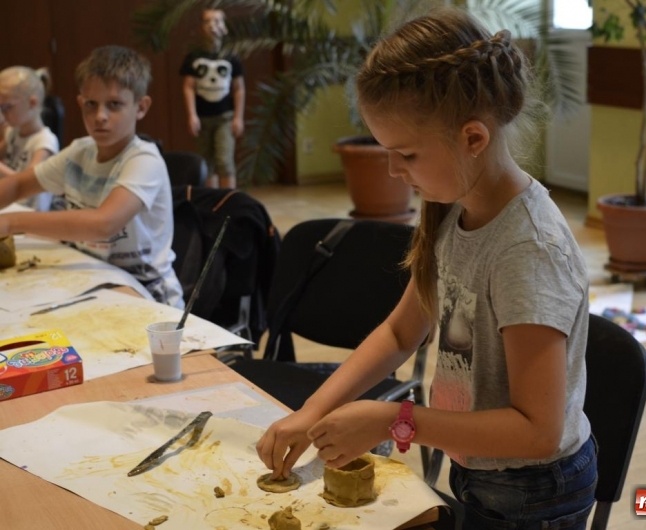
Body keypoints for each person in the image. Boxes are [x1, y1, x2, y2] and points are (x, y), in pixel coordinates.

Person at [256, 6, 596, 529]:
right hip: (476, 462)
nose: (393, 170)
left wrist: (396, 419)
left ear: (474, 138)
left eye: (407, 155)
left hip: (533, 490)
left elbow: (537, 430)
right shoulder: (452, 203)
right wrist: (311, 413)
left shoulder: (528, 250)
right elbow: (400, 331)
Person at [0, 45, 184, 308]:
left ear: (141, 107)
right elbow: (19, 185)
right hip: (95, 279)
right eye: (91, 104)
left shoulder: (144, 160)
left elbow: (103, 224)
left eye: (114, 105)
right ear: (80, 103)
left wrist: (10, 223)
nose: (100, 116)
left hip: (147, 293)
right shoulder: (79, 152)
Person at [180, 7, 245, 189]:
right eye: (207, 21)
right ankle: (212, 204)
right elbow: (188, 87)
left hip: (225, 116)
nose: (212, 25)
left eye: (217, 21)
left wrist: (238, 117)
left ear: (224, 27)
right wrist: (192, 115)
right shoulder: (193, 57)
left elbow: (239, 88)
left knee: (224, 161)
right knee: (205, 163)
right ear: (201, 27)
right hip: (202, 117)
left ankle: (230, 204)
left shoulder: (232, 56)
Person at [0, 66, 60, 211]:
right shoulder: (12, 132)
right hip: (12, 205)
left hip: (31, 212)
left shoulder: (45, 141)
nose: (3, 113)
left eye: (7, 107)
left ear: (32, 103)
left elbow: (29, 182)